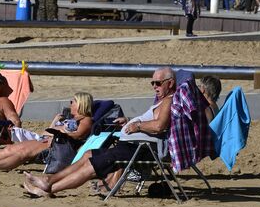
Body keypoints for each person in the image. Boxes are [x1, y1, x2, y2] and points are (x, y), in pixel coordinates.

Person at [23, 67, 176, 197]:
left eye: (158, 83)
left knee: (91, 165)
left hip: (142, 149)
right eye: (152, 83)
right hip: (132, 146)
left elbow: (159, 126)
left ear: (170, 83)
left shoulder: (169, 101)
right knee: (89, 154)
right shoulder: (162, 101)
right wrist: (128, 120)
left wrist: (137, 126)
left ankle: (49, 189)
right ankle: (48, 180)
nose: (154, 86)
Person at [0, 92, 94, 172]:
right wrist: (55, 122)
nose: (70, 104)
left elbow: (78, 135)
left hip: (56, 145)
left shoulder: (86, 119)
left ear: (81, 103)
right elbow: (48, 130)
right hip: (45, 139)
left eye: (73, 101)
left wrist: (60, 131)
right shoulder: (70, 118)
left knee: (22, 154)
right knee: (10, 149)